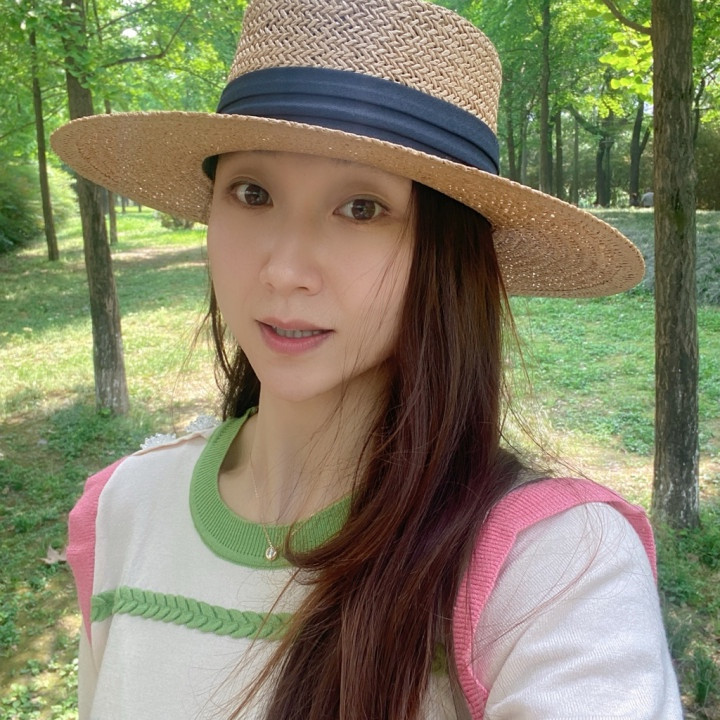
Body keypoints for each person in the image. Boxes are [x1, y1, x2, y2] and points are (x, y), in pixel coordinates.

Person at [51, 0, 683, 717]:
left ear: (445, 256)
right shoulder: (123, 510)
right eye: (252, 193)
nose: (285, 270)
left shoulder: (553, 572)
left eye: (361, 208)